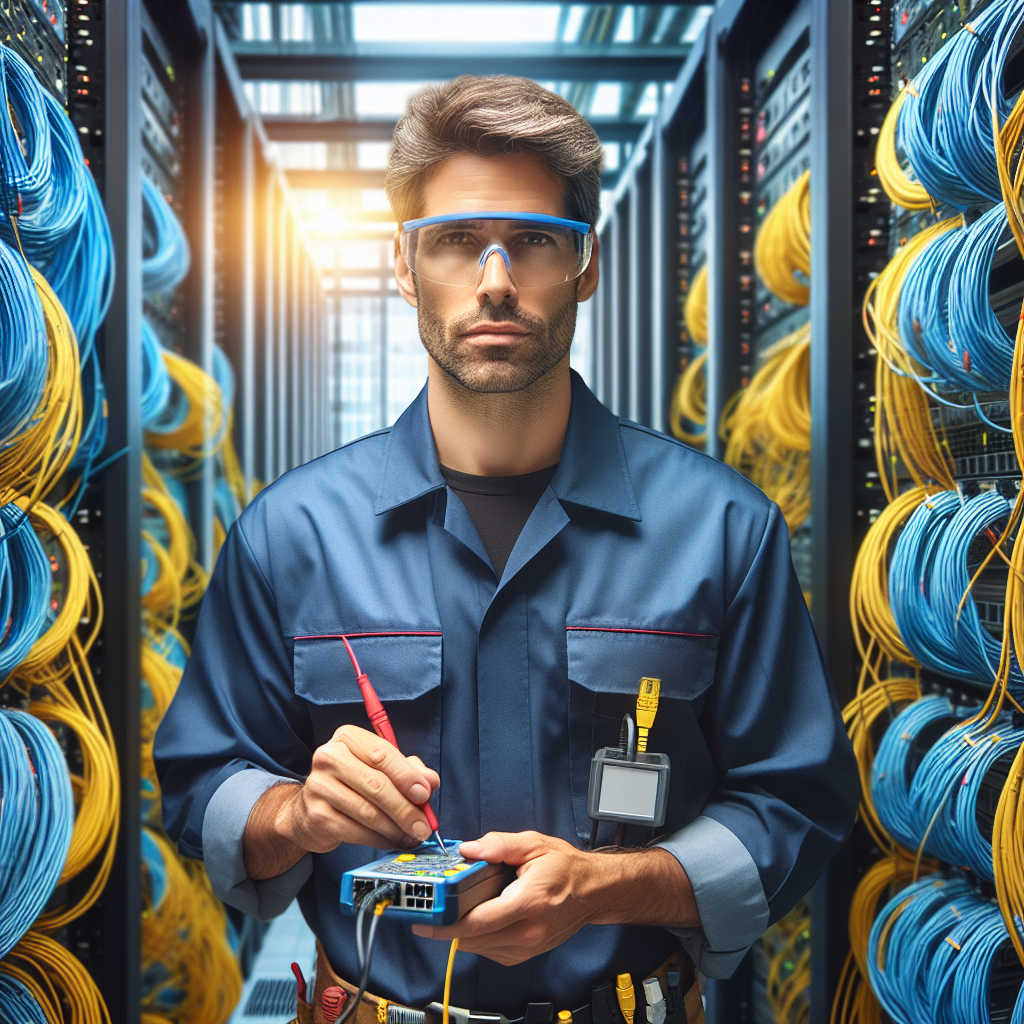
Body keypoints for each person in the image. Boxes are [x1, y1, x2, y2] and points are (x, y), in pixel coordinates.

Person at [155, 75, 858, 1023]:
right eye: (454, 242)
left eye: (532, 241)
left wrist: (605, 888)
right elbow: (201, 787)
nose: (494, 279)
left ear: (586, 264)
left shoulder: (720, 530)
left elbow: (797, 805)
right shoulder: (293, 534)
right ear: (402, 266)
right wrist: (297, 814)